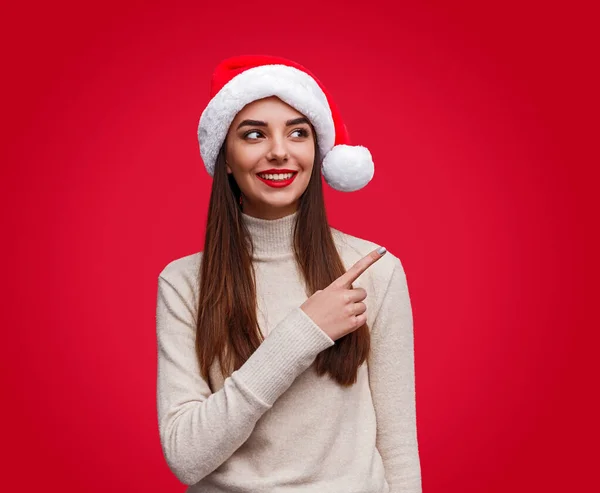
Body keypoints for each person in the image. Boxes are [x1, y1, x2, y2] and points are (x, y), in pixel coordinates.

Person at [155, 54, 422, 492]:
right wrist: (303, 332)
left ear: (317, 152)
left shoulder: (375, 271)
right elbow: (186, 456)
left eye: (298, 132)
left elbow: (397, 447)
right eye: (254, 134)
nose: (279, 150)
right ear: (224, 156)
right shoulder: (184, 284)